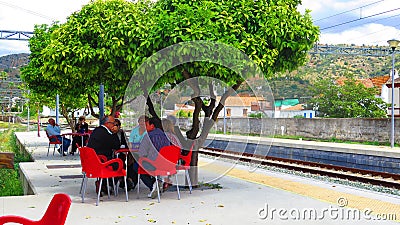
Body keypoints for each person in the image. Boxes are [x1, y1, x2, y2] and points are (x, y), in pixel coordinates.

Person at [136, 117, 170, 199]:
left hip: (153, 164)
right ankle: (158, 182)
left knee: (136, 166)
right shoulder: (167, 136)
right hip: (167, 164)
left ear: (152, 126)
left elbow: (142, 153)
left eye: (146, 125)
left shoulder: (148, 136)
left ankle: (153, 186)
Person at [86, 115, 121, 196]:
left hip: (91, 161)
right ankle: (106, 184)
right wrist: (115, 133)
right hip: (101, 161)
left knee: (113, 162)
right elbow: (116, 146)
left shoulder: (97, 131)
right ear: (108, 123)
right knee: (119, 164)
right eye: (113, 123)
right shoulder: (106, 134)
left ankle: (105, 184)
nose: (114, 125)